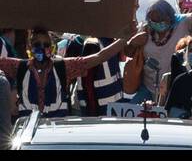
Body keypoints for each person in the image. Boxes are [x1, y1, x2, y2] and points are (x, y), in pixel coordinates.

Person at [1, 27, 140, 119]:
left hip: (56, 134)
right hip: (28, 135)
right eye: (37, 44)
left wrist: (124, 39)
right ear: (29, 47)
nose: (42, 48)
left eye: (46, 45)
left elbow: (99, 57)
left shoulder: (64, 67)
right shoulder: (18, 67)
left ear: (52, 47)